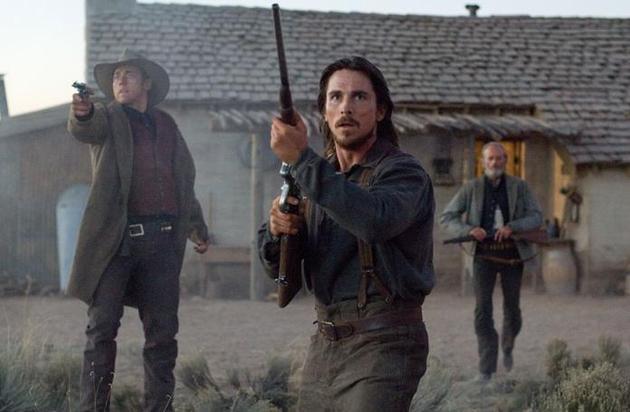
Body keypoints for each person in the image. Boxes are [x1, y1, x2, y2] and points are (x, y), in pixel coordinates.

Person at [258, 56, 435, 411]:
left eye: (359, 97)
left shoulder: (403, 173)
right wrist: (278, 230)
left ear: (380, 111)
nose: (346, 108)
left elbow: (375, 220)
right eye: (335, 97)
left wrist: (302, 159)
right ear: (324, 112)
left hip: (385, 341)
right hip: (325, 344)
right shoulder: (314, 177)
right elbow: (278, 270)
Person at [68, 49, 209, 411]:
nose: (120, 80)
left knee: (162, 337)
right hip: (116, 244)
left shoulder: (167, 125)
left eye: (128, 74)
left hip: (162, 244)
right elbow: (86, 127)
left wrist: (195, 224)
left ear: (147, 82)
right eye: (116, 76)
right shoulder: (107, 117)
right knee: (101, 330)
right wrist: (81, 113)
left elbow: (182, 179)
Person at [440, 141, 542, 382]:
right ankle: (486, 369)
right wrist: (469, 229)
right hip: (483, 257)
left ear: (506, 161)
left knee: (512, 311)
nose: (495, 162)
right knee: (482, 311)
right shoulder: (471, 188)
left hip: (512, 257)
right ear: (483, 162)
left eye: (499, 158)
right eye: (490, 158)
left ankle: (507, 346)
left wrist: (513, 227)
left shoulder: (520, 187)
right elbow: (447, 218)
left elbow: (536, 216)